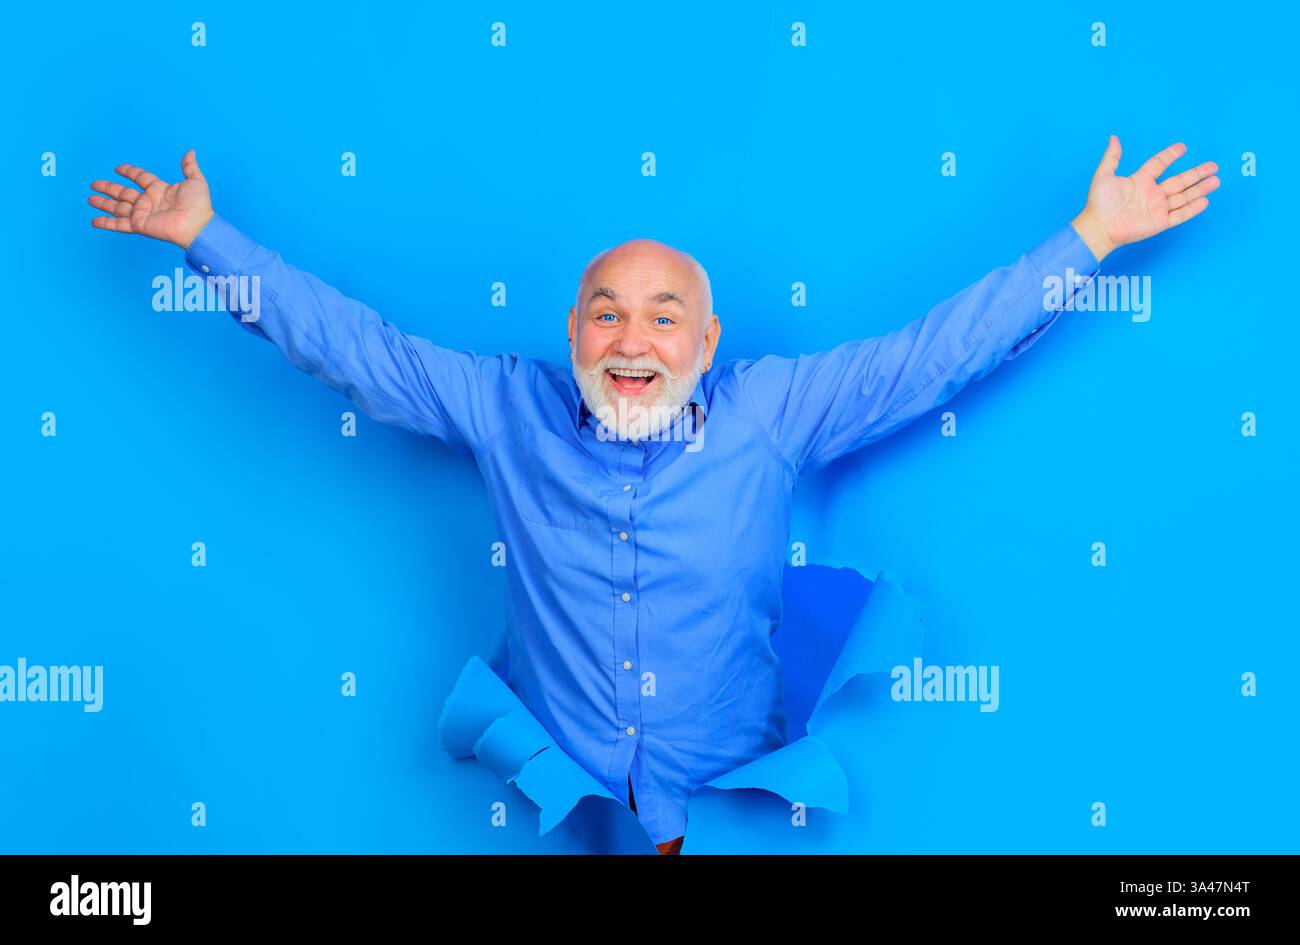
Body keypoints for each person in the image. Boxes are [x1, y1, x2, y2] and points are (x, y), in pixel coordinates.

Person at [88, 137, 1218, 854]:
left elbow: (933, 355)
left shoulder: (772, 410)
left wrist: (1092, 237)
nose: (633, 338)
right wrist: (202, 238)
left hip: (741, 816)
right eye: (607, 312)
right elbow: (351, 347)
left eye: (664, 315)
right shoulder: (504, 407)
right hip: (557, 817)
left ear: (707, 342)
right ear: (573, 332)